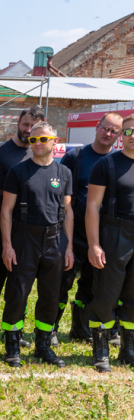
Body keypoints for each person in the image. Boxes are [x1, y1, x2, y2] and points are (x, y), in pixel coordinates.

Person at [0, 122, 74, 367]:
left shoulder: (64, 173)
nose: (37, 144)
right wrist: (7, 245)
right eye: (33, 140)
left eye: (43, 139)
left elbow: (68, 211)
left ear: (55, 141)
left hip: (54, 240)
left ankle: (42, 345)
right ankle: (12, 345)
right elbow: (6, 210)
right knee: (17, 294)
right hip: (24, 239)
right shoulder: (18, 172)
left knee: (51, 296)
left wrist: (69, 246)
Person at [0, 107, 45, 347]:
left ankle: (15, 328)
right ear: (18, 122)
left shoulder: (39, 153)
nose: (28, 131)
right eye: (25, 125)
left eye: (33, 127)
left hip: (26, 232)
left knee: (21, 283)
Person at [59, 112, 123, 343]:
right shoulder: (76, 156)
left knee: (91, 283)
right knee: (62, 281)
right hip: (72, 231)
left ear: (119, 135)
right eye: (105, 128)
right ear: (97, 127)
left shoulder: (117, 160)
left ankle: (79, 328)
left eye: (114, 131)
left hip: (101, 232)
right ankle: (52, 328)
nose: (108, 134)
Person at [86, 114, 134, 372]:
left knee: (133, 295)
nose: (132, 136)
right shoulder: (106, 165)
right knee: (106, 293)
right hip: (115, 234)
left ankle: (128, 349)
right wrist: (94, 244)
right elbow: (92, 206)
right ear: (120, 136)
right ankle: (101, 350)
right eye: (127, 132)